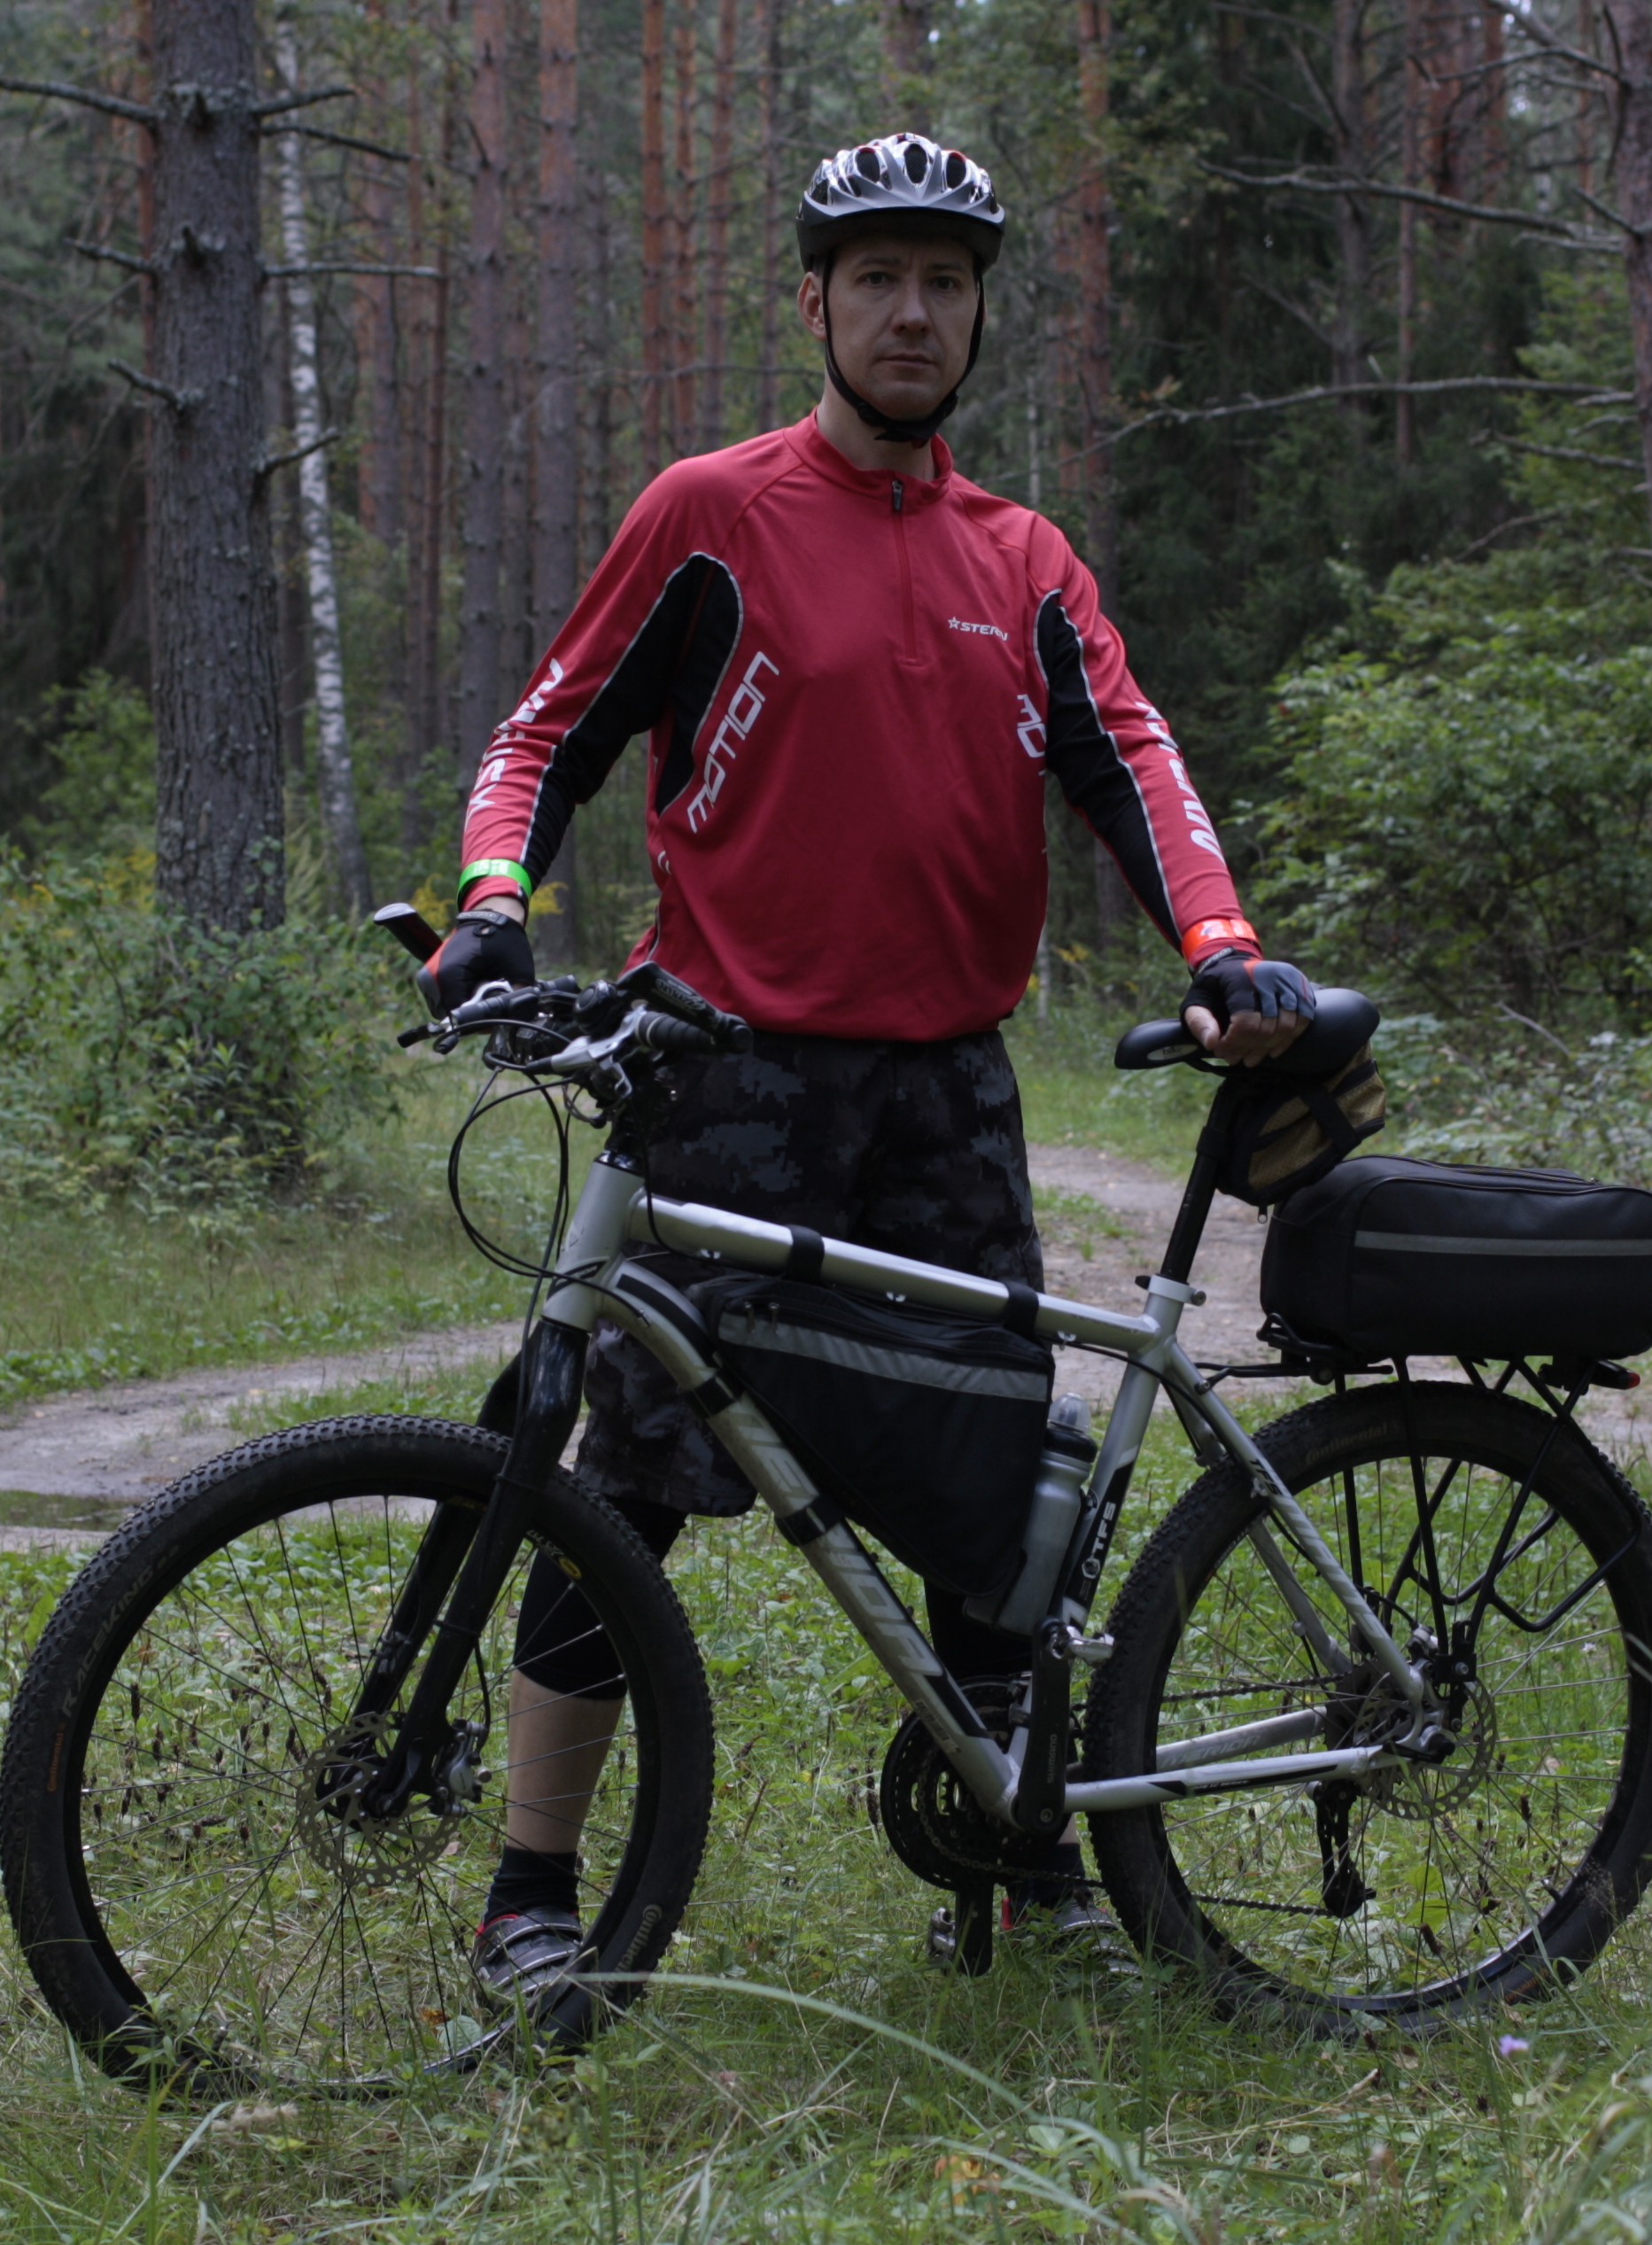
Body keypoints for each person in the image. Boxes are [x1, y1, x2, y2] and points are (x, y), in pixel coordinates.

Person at [425, 131, 1319, 2008]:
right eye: (879, 280)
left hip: (947, 1094)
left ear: (979, 314)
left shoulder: (1024, 558)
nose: (914, 313)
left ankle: (1018, 1861)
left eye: (947, 282)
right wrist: (492, 905)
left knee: (986, 1488)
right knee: (626, 1485)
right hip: (723, 1077)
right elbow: (544, 736)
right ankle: (531, 1895)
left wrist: (1222, 945)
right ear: (815, 303)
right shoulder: (713, 514)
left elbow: (1137, 764)